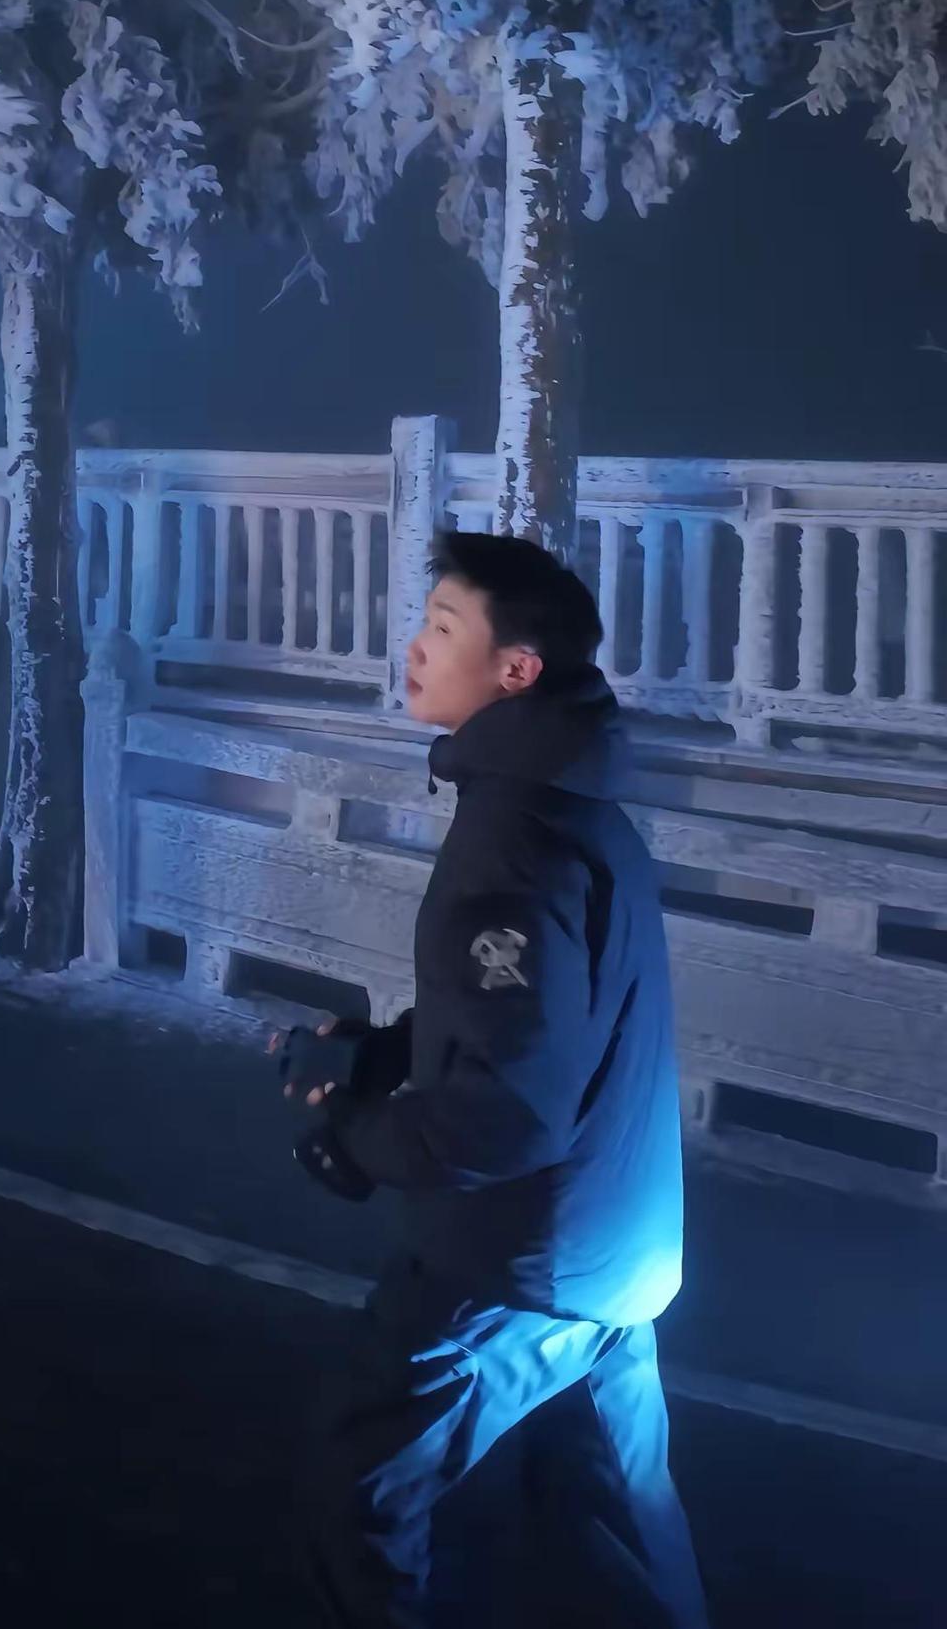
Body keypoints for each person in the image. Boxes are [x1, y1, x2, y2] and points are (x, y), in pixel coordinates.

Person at [273, 531, 709, 1628]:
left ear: (515, 668)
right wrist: (385, 1054)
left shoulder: (514, 840)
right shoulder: (573, 807)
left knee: (357, 1488)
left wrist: (355, 1129)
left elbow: (502, 1113)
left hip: (518, 1261)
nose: (414, 647)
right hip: (610, 1249)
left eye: (442, 627)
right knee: (612, 1531)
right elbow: (530, 1021)